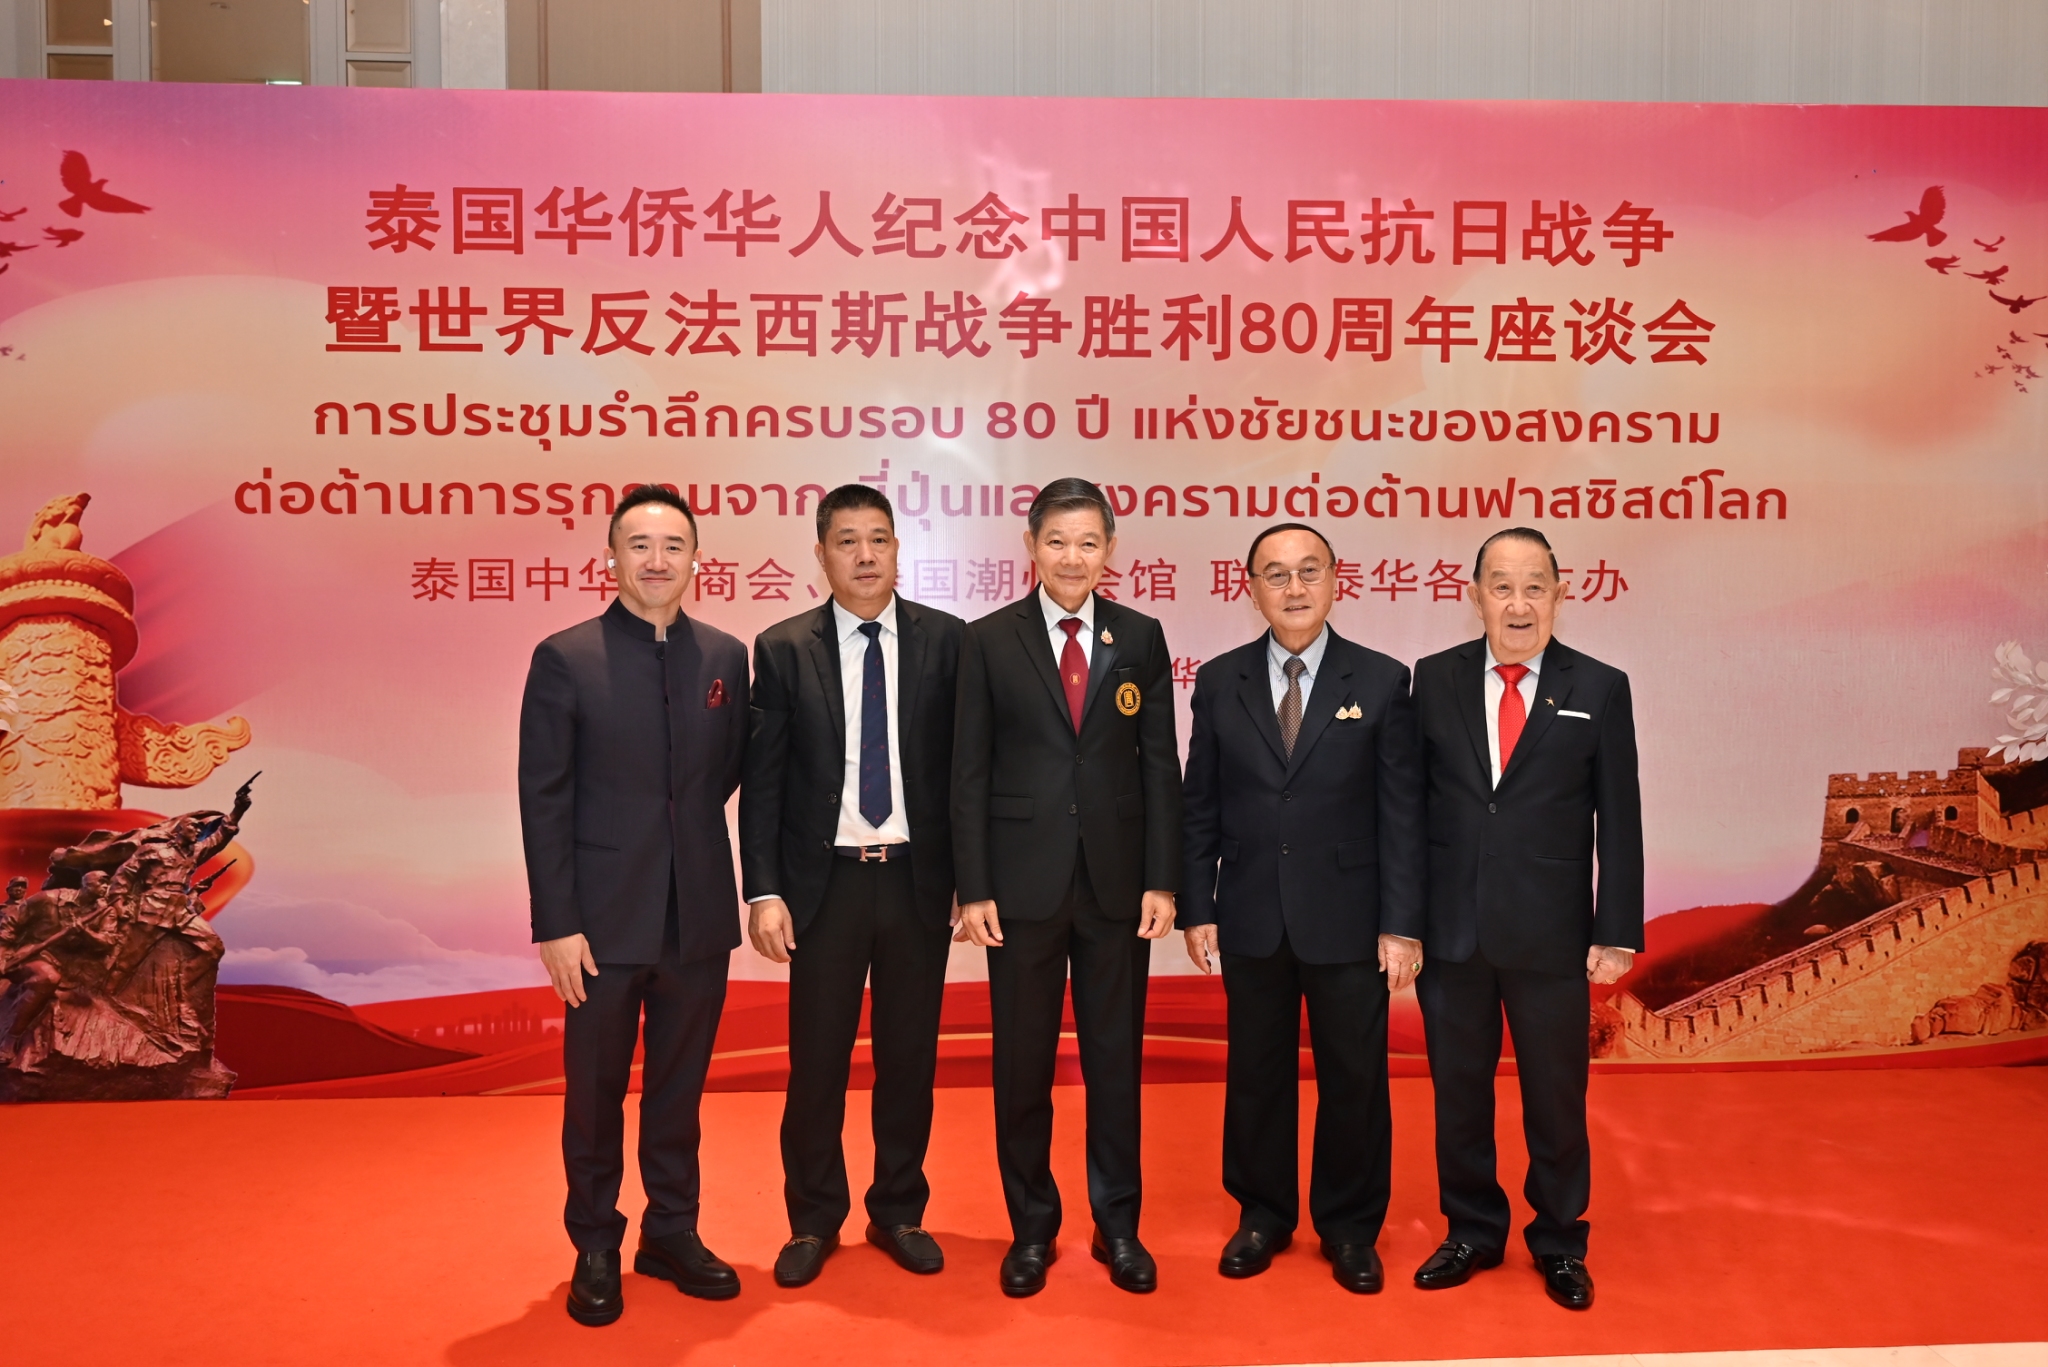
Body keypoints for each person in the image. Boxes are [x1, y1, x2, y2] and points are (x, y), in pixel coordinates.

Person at [518, 484, 749, 1327]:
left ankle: (672, 1230)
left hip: (698, 917)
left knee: (680, 1090)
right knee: (595, 1093)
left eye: (673, 545)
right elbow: (543, 795)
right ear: (611, 556)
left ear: (696, 559)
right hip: (600, 923)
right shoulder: (565, 657)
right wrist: (556, 921)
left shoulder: (725, 656)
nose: (657, 560)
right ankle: (595, 1242)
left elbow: (727, 775)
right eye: (640, 545)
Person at [951, 477, 1182, 1298]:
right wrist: (973, 885)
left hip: (1117, 887)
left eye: (1088, 542)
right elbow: (968, 771)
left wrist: (1164, 879)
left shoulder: (1140, 636)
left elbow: (1160, 765)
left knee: (1115, 1062)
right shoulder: (988, 640)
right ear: (1031, 546)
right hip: (1020, 889)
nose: (1072, 557)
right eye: (1057, 541)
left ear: (1110, 550)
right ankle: (1032, 1228)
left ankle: (1119, 1226)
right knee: (1023, 1066)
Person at [1180, 522, 1424, 1294]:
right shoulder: (1220, 680)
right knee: (1256, 1072)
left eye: (1309, 571)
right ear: (1251, 588)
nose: (1294, 587)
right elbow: (1199, 802)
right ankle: (1262, 1214)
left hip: (1351, 916)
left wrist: (1401, 922)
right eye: (1276, 574)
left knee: (1355, 1077)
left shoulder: (1380, 680)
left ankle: (1349, 1226)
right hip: (1250, 909)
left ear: (1335, 580)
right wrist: (1197, 905)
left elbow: (1402, 813)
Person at [1407, 527, 1643, 1311]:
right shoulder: (1433, 678)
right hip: (1452, 933)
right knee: (1459, 1095)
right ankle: (1472, 1228)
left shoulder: (1600, 686)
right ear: (1474, 595)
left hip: (1551, 935)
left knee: (1556, 1098)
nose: (1518, 603)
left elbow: (1621, 817)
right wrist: (1402, 921)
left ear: (1559, 594)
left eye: (1534, 586)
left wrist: (1616, 928)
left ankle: (1560, 1239)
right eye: (1501, 586)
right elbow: (1408, 809)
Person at [740, 484, 965, 1287]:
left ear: (898, 547)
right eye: (846, 540)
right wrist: (763, 890)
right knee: (817, 1063)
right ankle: (812, 1218)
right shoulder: (783, 647)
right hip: (823, 886)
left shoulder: (948, 641)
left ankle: (898, 1208)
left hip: (916, 882)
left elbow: (967, 772)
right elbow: (763, 782)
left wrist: (972, 882)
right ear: (821, 553)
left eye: (878, 538)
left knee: (909, 1058)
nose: (865, 555)